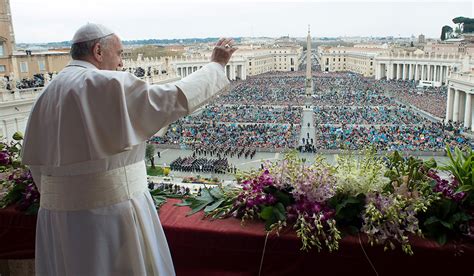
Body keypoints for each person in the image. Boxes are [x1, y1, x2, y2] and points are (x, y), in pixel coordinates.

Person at [21, 23, 236, 276]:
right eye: (120, 53)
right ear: (98, 51)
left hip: (57, 222)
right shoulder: (104, 83)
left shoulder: (46, 93)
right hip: (110, 217)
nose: (122, 64)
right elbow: (171, 99)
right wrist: (216, 66)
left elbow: (38, 170)